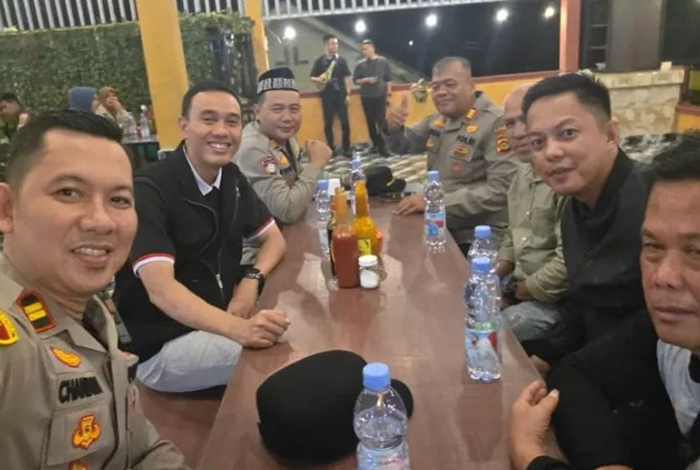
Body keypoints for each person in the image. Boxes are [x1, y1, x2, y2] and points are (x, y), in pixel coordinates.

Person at [0, 110, 189, 469]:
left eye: (119, 200)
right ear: (7, 209)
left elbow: (141, 451)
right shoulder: (12, 345)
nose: (101, 221)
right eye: (69, 192)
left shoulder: (93, 314)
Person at [509, 135, 700, 470]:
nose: (663, 276)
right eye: (653, 246)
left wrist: (530, 456)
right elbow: (576, 372)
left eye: (696, 252)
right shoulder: (673, 335)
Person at [114, 81, 291, 393]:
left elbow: (274, 239)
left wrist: (250, 281)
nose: (221, 131)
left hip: (216, 319)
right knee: (278, 357)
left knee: (293, 330)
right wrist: (240, 329)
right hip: (162, 343)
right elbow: (161, 290)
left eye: (232, 121)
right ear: (184, 126)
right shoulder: (149, 189)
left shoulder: (231, 178)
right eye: (208, 119)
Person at [519, 73, 652, 375]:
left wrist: (570, 371)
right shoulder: (574, 208)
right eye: (538, 142)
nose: (551, 152)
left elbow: (651, 323)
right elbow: (586, 302)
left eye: (567, 133)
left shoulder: (653, 203)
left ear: (610, 135)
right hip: (594, 354)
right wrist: (547, 356)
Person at [385, 56, 516, 253]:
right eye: (435, 86)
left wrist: (434, 203)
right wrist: (393, 128)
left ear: (470, 85)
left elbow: (501, 190)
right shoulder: (439, 119)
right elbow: (405, 146)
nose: (441, 92)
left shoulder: (495, 122)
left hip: (479, 233)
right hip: (441, 221)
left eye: (450, 85)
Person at [496, 84, 568, 342]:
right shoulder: (521, 174)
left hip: (554, 300)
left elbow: (568, 263)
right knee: (461, 302)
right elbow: (512, 233)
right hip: (517, 283)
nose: (517, 133)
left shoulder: (564, 179)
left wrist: (522, 291)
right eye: (509, 123)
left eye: (525, 121)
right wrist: (493, 274)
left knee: (492, 333)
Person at [237, 67, 332, 225]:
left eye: (294, 109)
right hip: (260, 237)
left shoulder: (284, 135)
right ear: (257, 112)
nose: (287, 118)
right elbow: (287, 211)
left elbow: (296, 181)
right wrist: (315, 164)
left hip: (288, 229)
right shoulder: (253, 148)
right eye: (277, 109)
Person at [310, 34, 352, 158]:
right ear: (326, 45)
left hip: (341, 95)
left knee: (345, 123)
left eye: (336, 44)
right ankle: (331, 148)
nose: (335, 46)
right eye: (333, 43)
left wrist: (348, 94)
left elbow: (347, 78)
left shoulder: (341, 60)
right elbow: (312, 77)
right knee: (328, 124)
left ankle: (347, 147)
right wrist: (319, 79)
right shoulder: (320, 61)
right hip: (326, 96)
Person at [353, 39, 392, 157]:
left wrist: (389, 95)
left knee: (381, 122)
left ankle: (384, 147)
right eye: (362, 50)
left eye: (365, 49)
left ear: (372, 48)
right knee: (370, 122)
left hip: (380, 96)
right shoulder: (360, 64)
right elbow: (355, 80)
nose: (364, 52)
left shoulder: (383, 61)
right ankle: (375, 145)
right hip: (366, 97)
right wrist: (366, 80)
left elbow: (388, 79)